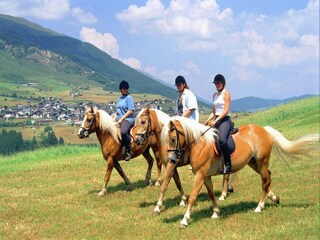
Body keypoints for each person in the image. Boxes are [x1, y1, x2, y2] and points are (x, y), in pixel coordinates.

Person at [205, 74, 232, 174]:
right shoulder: (214, 95)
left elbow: (226, 110)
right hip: (216, 119)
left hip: (225, 120)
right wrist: (207, 120)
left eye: (218, 83)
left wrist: (216, 121)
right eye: (215, 83)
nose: (216, 85)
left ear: (223, 83)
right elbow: (213, 111)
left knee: (222, 140)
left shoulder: (226, 94)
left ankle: (228, 165)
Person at [115, 80, 135, 161]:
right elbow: (117, 111)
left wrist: (122, 119)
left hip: (127, 119)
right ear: (121, 89)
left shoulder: (129, 98)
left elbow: (130, 110)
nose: (125, 89)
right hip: (118, 119)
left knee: (123, 132)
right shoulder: (119, 99)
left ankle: (129, 150)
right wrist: (114, 118)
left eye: (126, 88)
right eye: (123, 88)